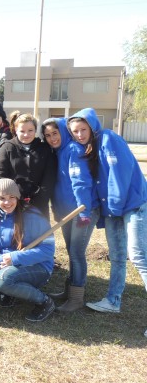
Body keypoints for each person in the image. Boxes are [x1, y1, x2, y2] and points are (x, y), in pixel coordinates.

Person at [68, 108, 147, 317]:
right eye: (75, 131)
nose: (79, 135)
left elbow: (119, 176)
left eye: (83, 129)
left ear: (92, 126)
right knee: (117, 256)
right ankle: (113, 300)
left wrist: (113, 208)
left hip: (133, 205)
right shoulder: (87, 149)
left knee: (139, 256)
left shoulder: (108, 139)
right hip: (114, 209)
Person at [0, 178, 56, 322]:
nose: (7, 203)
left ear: (17, 197)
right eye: (2, 198)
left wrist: (15, 258)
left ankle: (44, 302)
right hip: (2, 265)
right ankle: (10, 291)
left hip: (37, 267)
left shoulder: (33, 216)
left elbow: (48, 250)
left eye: (11, 197)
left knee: (3, 280)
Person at [41, 117, 99, 312]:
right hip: (66, 211)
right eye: (48, 135)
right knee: (71, 250)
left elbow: (80, 182)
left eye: (55, 133)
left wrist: (84, 210)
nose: (51, 138)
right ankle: (70, 289)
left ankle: (76, 298)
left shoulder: (73, 150)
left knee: (76, 252)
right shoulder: (58, 152)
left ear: (63, 132)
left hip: (81, 211)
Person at [0, 111, 56, 218]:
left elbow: (49, 177)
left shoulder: (44, 148)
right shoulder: (7, 148)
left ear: (35, 130)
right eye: (22, 131)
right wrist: (12, 197)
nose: (26, 135)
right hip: (14, 203)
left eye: (30, 130)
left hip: (39, 204)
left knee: (39, 233)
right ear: (16, 131)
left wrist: (41, 197)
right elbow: (1, 176)